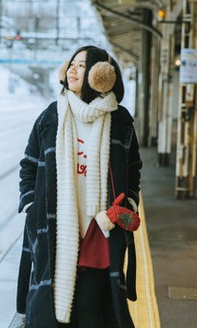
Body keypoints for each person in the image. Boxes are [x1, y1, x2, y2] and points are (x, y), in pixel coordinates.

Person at [16, 45, 142, 328]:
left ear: (100, 74)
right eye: (71, 64)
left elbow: (134, 169)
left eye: (82, 65)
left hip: (101, 229)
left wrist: (129, 203)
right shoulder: (52, 115)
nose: (72, 69)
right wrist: (31, 205)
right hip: (56, 227)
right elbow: (29, 163)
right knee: (50, 309)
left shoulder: (120, 120)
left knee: (92, 310)